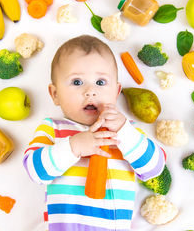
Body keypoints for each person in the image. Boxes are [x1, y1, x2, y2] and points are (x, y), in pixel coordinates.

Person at [23, 35, 166, 231]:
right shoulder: (54, 128)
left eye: (100, 82)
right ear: (55, 94)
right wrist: (74, 147)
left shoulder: (126, 130)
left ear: (116, 92)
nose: (90, 91)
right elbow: (35, 171)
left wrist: (124, 131)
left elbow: (154, 167)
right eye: (76, 82)